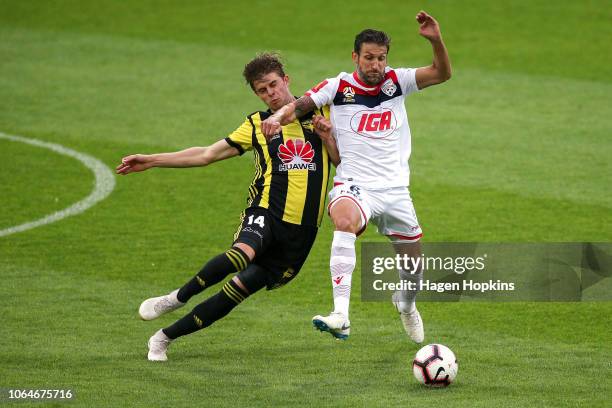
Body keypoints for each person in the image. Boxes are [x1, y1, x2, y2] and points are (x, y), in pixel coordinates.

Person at [116, 53, 339, 361]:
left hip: (301, 232)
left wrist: (328, 138)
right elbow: (207, 154)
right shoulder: (256, 125)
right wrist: (153, 160)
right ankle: (176, 298)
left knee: (233, 294)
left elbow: (341, 161)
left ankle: (163, 338)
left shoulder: (321, 111)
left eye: (274, 85)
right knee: (240, 254)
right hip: (266, 212)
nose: (271, 93)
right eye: (262, 90)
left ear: (286, 80)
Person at [260, 11, 451, 342]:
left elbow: (441, 73)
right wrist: (277, 116)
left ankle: (405, 305)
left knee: (414, 271)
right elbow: (301, 104)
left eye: (381, 58)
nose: (376, 65)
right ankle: (341, 315)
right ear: (355, 57)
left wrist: (435, 40)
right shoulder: (338, 86)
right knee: (344, 221)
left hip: (395, 190)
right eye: (369, 58)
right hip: (354, 185)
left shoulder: (397, 81)